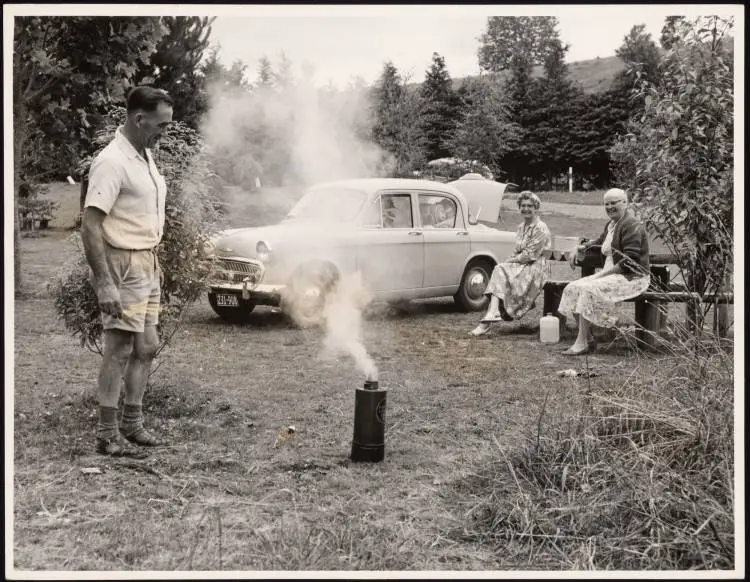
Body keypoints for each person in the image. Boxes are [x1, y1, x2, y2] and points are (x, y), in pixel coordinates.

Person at [81, 86, 173, 457]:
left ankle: (132, 425)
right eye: (161, 124)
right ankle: (106, 433)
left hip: (146, 261)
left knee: (147, 346)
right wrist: (104, 282)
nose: (165, 131)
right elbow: (90, 225)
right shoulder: (112, 161)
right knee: (118, 348)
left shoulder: (143, 154)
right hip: (122, 263)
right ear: (139, 119)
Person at [557, 188, 650, 355]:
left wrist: (601, 275)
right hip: (612, 275)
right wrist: (582, 246)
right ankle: (588, 338)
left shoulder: (631, 224)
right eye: (606, 204)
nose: (609, 207)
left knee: (588, 288)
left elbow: (629, 260)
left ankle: (581, 342)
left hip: (632, 278)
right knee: (572, 287)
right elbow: (601, 241)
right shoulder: (612, 225)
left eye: (614, 203)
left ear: (625, 203)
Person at [469, 191, 552, 336]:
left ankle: (486, 322)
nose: (526, 209)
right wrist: (510, 260)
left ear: (536, 208)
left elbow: (530, 255)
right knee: (500, 271)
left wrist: (510, 261)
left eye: (529, 206)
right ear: (519, 207)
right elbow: (517, 251)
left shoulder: (540, 227)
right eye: (523, 206)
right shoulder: (521, 227)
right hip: (522, 265)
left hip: (536, 268)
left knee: (500, 270)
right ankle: (492, 313)